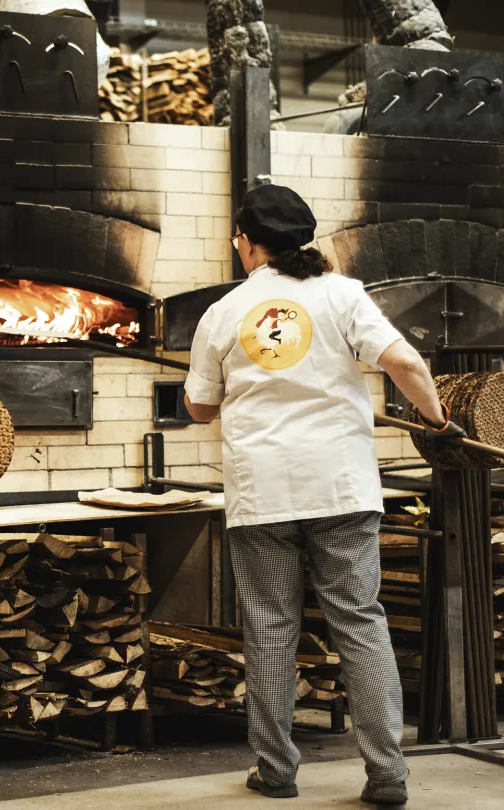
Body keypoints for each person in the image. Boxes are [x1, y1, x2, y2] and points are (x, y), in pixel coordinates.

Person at [182, 184, 462, 806]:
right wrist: (438, 422)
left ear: (248, 244)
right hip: (341, 486)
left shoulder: (224, 312)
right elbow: (408, 365)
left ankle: (276, 772)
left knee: (271, 628)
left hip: (263, 494)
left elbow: (199, 408)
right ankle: (387, 774)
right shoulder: (342, 294)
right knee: (360, 623)